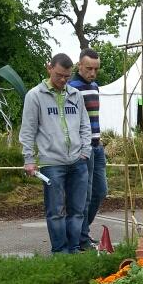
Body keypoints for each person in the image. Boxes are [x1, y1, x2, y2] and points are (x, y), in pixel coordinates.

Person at [20, 53, 91, 254]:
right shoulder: (35, 95)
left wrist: (85, 151)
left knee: (78, 210)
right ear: (49, 68)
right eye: (59, 75)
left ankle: (74, 249)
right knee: (56, 211)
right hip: (51, 163)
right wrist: (29, 159)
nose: (63, 80)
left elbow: (85, 125)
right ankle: (60, 252)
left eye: (67, 76)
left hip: (78, 161)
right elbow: (28, 130)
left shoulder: (75, 95)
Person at [69, 47, 108, 249]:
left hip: (97, 146)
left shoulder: (94, 86)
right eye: (88, 68)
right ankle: (81, 238)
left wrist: (98, 140)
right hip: (82, 148)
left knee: (100, 191)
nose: (92, 73)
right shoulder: (71, 88)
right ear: (79, 66)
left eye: (96, 69)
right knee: (84, 195)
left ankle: (83, 232)